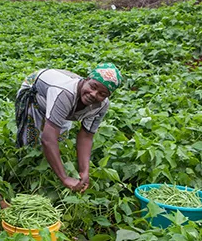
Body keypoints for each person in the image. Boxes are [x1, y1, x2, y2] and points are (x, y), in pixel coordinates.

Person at [15, 63, 122, 192]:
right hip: (36, 92)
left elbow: (87, 135)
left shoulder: (102, 105)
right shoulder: (65, 92)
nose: (94, 94)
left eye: (102, 93)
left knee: (59, 142)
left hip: (64, 102)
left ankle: (51, 172)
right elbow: (48, 140)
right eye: (93, 87)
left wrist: (84, 171)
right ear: (86, 80)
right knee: (30, 142)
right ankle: (24, 178)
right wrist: (65, 178)